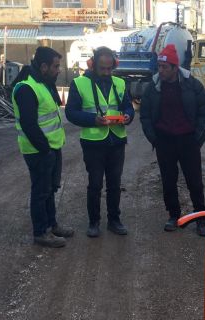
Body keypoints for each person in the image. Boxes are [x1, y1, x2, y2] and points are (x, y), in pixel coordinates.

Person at [140, 44, 205, 236]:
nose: (160, 71)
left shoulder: (191, 84)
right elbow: (145, 114)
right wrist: (153, 138)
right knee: (168, 181)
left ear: (174, 67)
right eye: (159, 67)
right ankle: (173, 215)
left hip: (188, 140)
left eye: (164, 67)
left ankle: (201, 218)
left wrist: (197, 137)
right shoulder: (153, 87)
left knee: (194, 181)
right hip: (164, 140)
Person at [65, 46, 135, 237]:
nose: (106, 73)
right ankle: (93, 222)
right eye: (102, 69)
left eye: (109, 69)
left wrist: (128, 116)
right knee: (95, 184)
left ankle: (114, 220)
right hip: (93, 142)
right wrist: (92, 120)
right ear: (93, 65)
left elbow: (128, 107)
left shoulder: (119, 83)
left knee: (114, 184)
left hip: (117, 140)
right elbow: (71, 112)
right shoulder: (79, 84)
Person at [11, 46, 74, 248]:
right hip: (38, 150)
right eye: (56, 66)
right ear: (44, 66)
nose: (59, 70)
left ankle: (52, 224)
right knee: (40, 191)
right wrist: (45, 150)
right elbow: (29, 124)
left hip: (51, 147)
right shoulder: (26, 88)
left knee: (50, 189)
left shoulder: (44, 83)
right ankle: (41, 232)